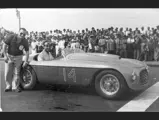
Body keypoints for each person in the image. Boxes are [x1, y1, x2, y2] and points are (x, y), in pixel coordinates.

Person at [3, 28, 29, 92]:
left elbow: (27, 51)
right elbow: (4, 46)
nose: (22, 35)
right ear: (18, 32)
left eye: (24, 34)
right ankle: (8, 86)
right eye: (21, 33)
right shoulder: (11, 37)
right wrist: (5, 55)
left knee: (17, 73)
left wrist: (26, 61)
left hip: (19, 57)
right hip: (9, 56)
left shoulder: (25, 41)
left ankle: (15, 87)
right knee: (8, 72)